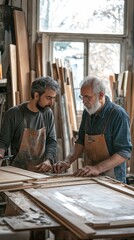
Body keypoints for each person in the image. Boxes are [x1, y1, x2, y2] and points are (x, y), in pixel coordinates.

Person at [54, 75, 132, 183]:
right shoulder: (88, 112)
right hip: (90, 177)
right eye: (82, 97)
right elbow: (80, 141)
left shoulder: (118, 115)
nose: (84, 102)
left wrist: (97, 168)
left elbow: (124, 152)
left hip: (112, 179)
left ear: (101, 95)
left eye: (87, 97)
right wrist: (68, 161)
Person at [0, 76, 59, 173]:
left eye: (53, 98)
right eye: (48, 98)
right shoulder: (13, 114)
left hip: (41, 173)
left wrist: (49, 161)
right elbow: (3, 143)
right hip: (17, 173)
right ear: (36, 95)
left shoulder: (48, 113)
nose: (51, 103)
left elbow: (51, 141)